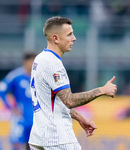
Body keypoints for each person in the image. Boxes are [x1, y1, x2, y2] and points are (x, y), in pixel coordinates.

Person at [29, 16, 117, 150]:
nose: (74, 38)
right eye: (69, 34)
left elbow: (55, 101)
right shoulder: (53, 63)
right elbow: (69, 100)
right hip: (58, 139)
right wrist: (102, 90)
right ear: (56, 38)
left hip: (39, 138)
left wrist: (79, 117)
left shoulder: (40, 59)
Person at [0, 52, 37, 150]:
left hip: (36, 118)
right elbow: (2, 90)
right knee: (16, 143)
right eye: (31, 61)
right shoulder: (16, 75)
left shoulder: (39, 76)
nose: (33, 64)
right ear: (25, 62)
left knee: (34, 145)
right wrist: (11, 107)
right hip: (21, 117)